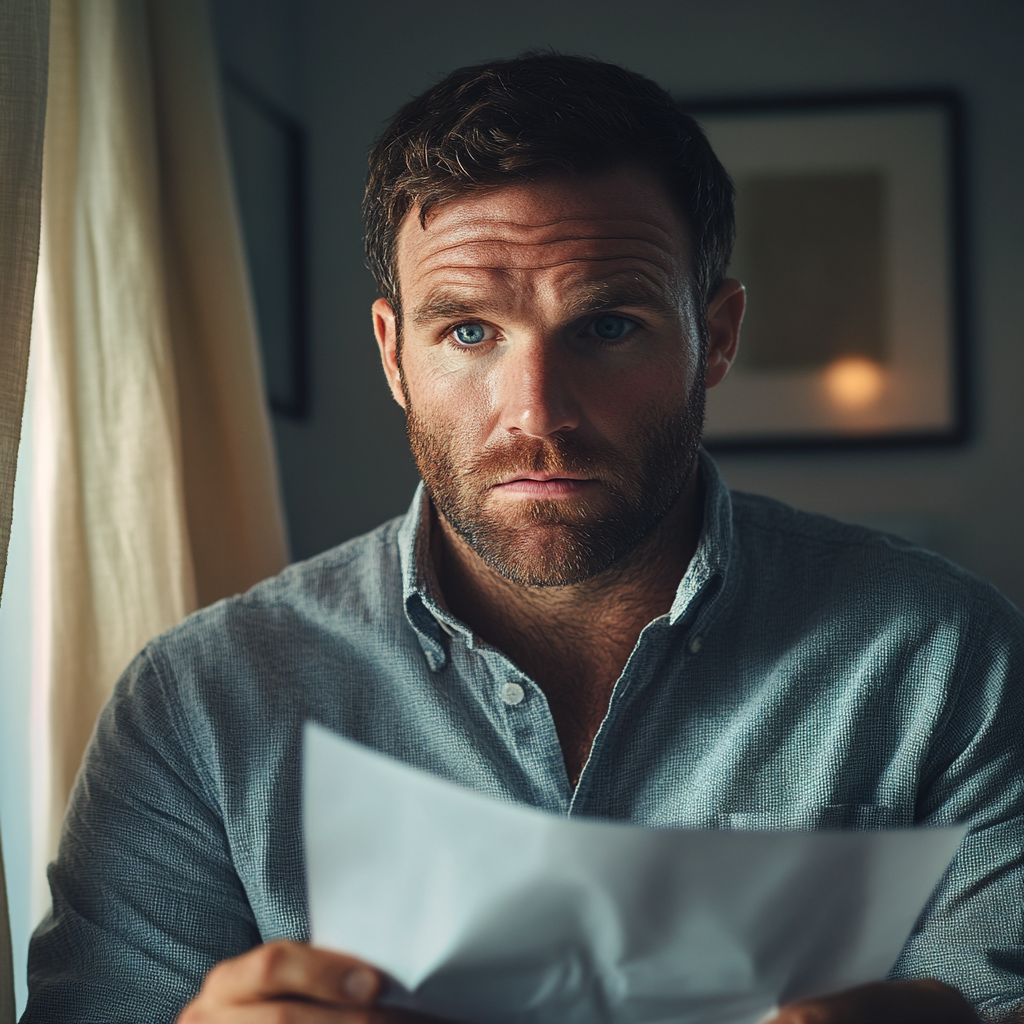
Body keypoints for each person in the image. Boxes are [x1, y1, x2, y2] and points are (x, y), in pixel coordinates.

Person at [23, 53, 1022, 1024]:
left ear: (713, 336)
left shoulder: (942, 657)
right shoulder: (199, 705)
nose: (536, 415)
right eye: (467, 332)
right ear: (393, 354)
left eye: (607, 325)